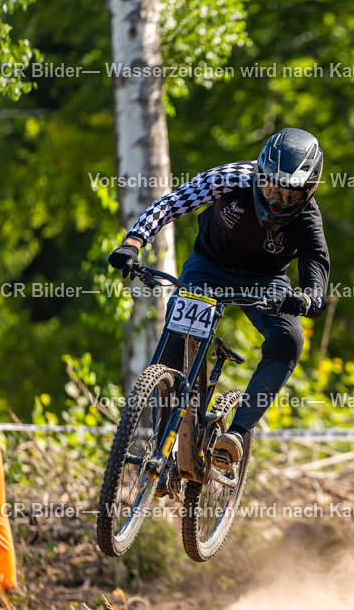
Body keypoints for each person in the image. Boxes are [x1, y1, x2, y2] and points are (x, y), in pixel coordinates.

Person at [108, 127, 330, 470]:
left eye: (289, 197)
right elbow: (170, 204)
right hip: (209, 265)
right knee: (175, 338)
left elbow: (316, 262)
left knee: (289, 339)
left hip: (265, 281)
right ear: (259, 173)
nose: (276, 201)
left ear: (307, 193)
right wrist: (134, 242)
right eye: (271, 188)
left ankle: (237, 433)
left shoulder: (307, 217)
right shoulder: (230, 179)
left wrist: (308, 297)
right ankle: (165, 441)